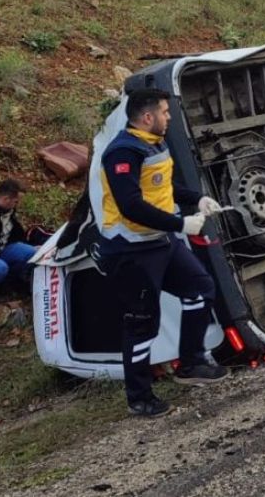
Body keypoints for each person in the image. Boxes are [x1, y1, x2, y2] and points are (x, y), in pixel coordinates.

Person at [93, 87, 228, 418]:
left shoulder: (155, 142)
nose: (169, 118)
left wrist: (195, 198)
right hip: (129, 250)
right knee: (142, 323)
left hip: (159, 242)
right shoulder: (121, 153)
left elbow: (162, 187)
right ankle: (139, 398)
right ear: (147, 117)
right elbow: (131, 206)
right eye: (165, 113)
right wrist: (180, 224)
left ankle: (192, 362)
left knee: (200, 288)